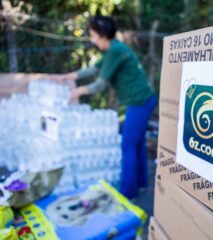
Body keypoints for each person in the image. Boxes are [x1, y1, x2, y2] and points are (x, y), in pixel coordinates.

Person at [51, 16, 156, 199]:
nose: (92, 40)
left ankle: (128, 192)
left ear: (102, 35)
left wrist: (78, 91)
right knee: (137, 144)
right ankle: (140, 185)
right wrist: (69, 76)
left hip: (139, 101)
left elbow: (100, 84)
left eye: (93, 36)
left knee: (128, 145)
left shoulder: (115, 50)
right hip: (144, 99)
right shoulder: (113, 49)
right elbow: (93, 69)